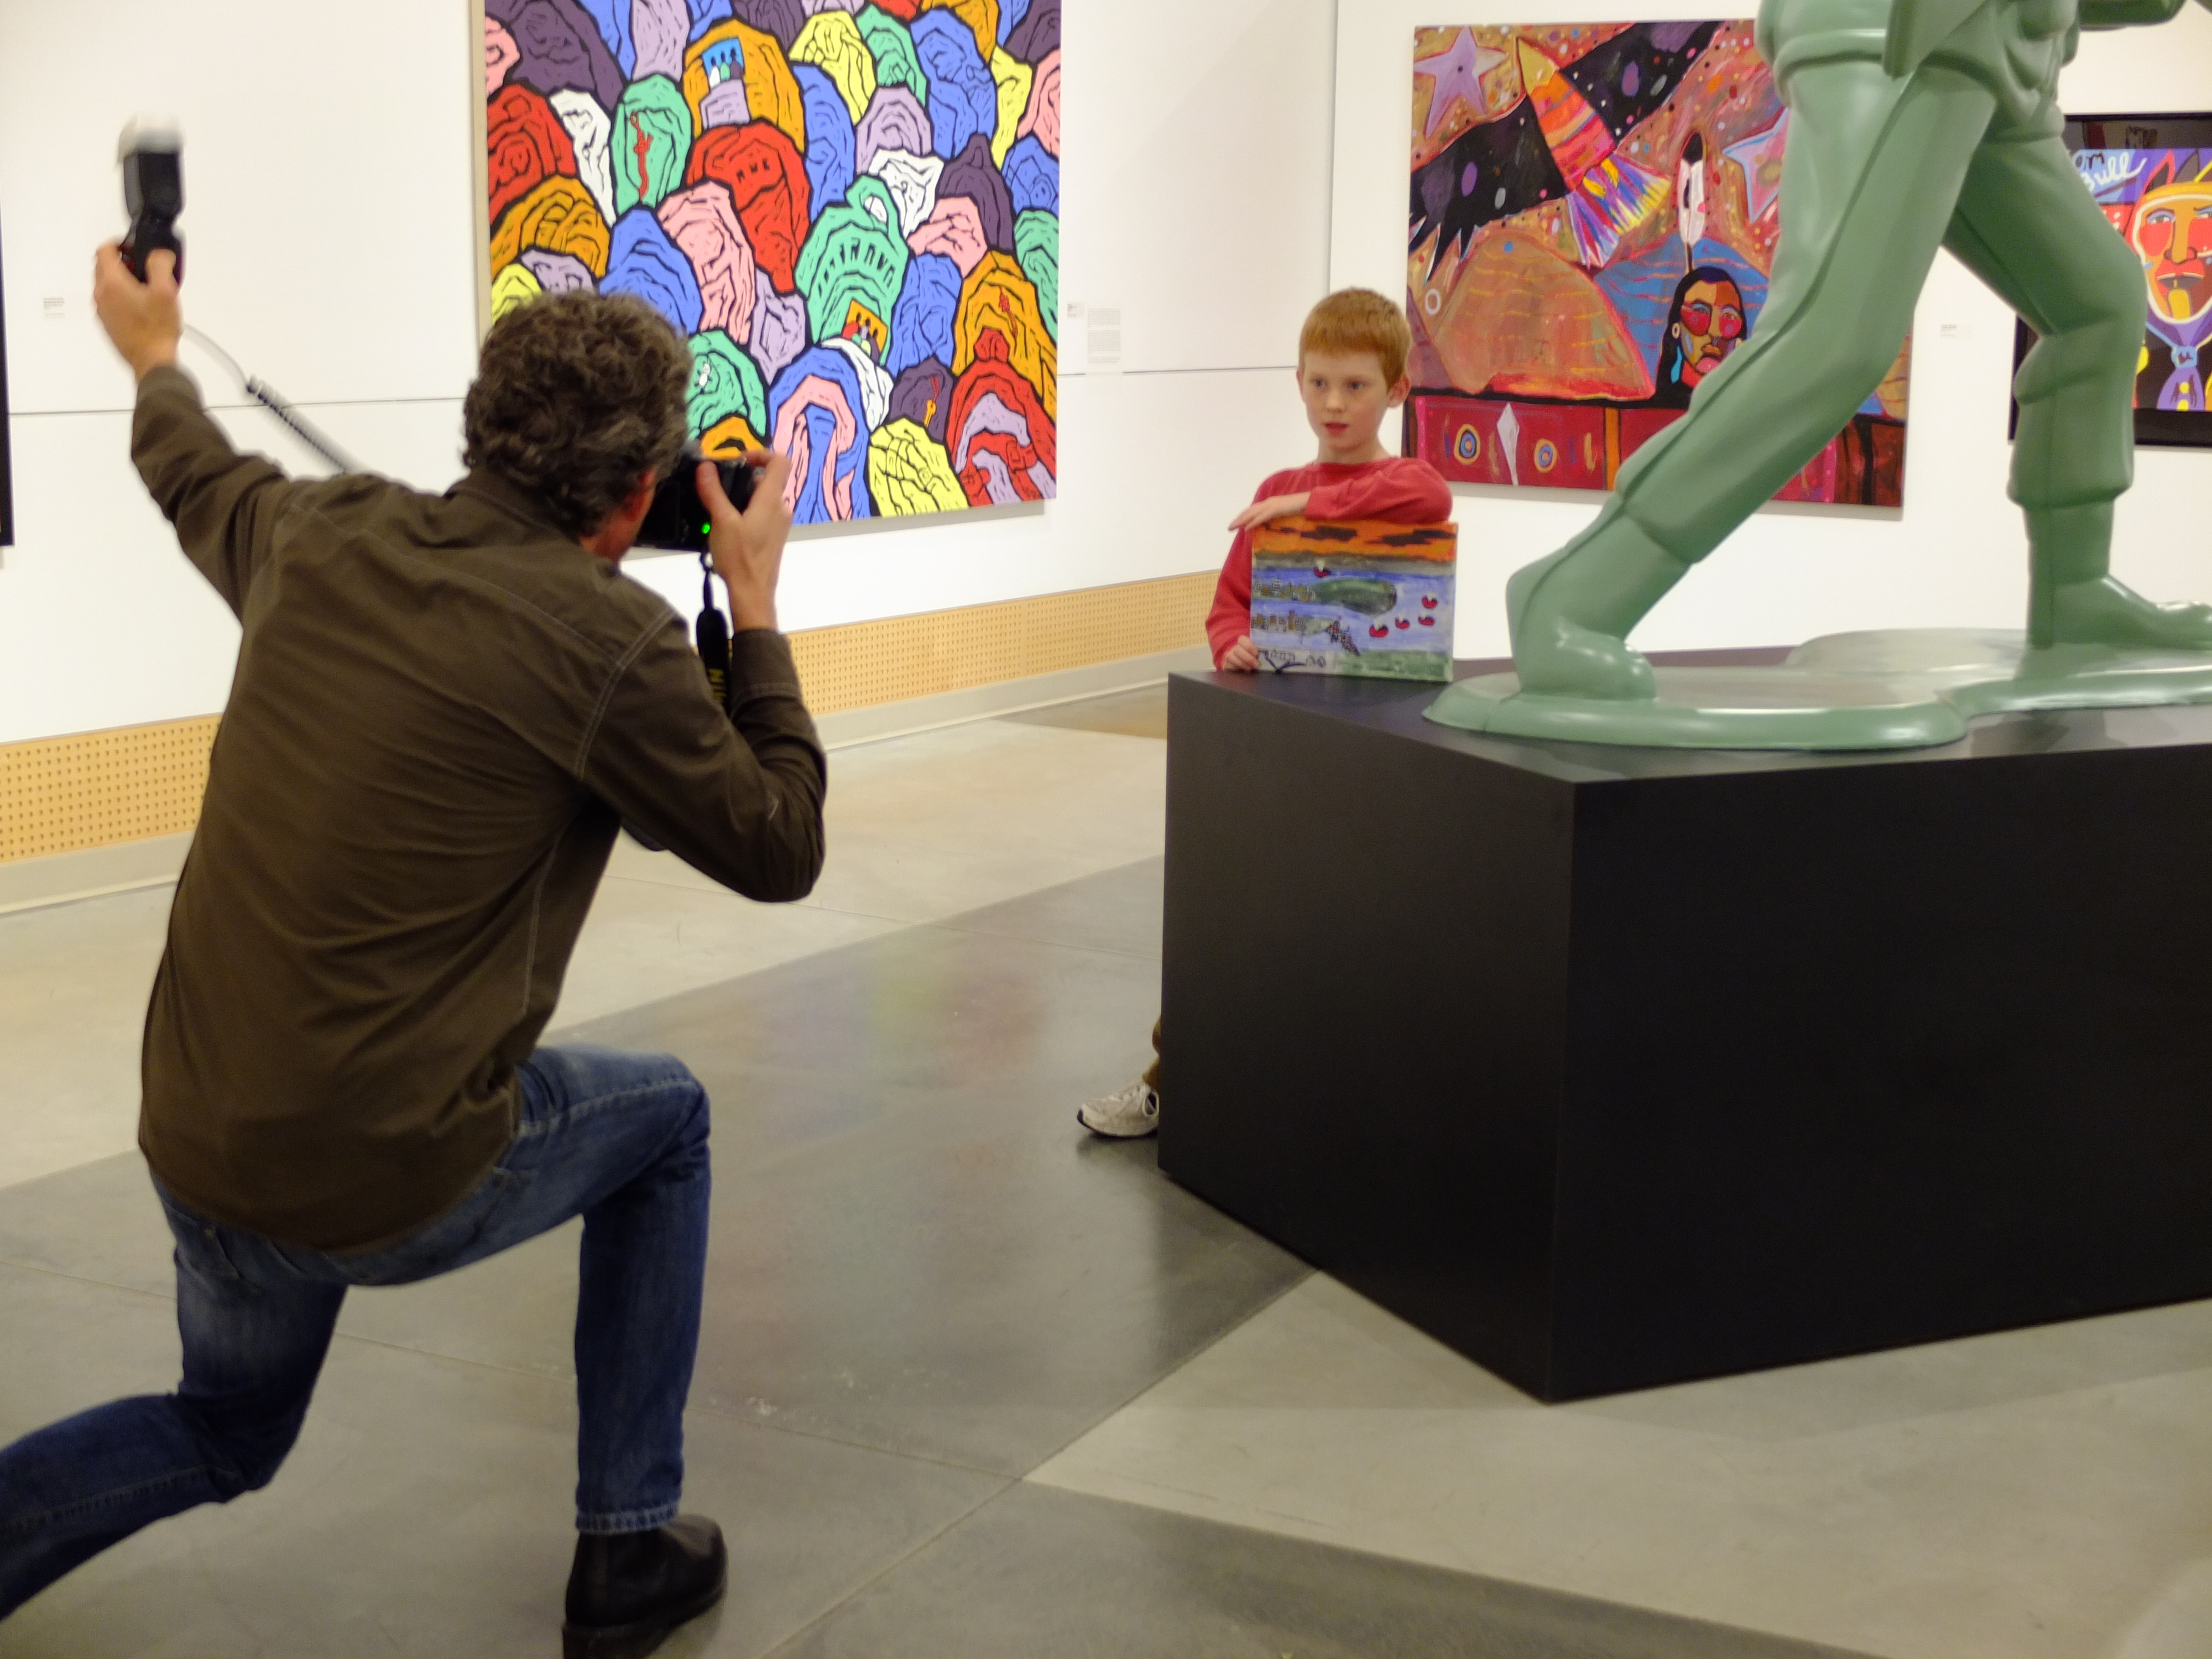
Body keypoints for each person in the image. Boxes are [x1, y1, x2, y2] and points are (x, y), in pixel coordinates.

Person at [0, 247, 826, 1659]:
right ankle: (628, 1547)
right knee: (669, 1121)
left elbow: (185, 464)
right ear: (639, 494)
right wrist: (751, 605)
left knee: (227, 1427)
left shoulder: (312, 531)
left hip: (197, 1130)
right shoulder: (612, 643)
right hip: (381, 1167)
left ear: (481, 428)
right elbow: (779, 843)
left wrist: (153, 350)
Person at [1508, 0, 2212, 701]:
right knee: (1832, 338)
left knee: (2098, 305)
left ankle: (2074, 592)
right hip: (1902, 33)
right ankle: (1575, 596)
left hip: (2005, 51)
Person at [1077, 289, 1451, 1139]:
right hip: (1283, 746)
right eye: (1319, 383)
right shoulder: (1275, 491)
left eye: (1356, 386)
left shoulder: (1395, 483)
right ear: (1298, 381)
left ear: (1397, 390)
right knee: (1239, 920)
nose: (1334, 404)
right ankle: (1172, 1080)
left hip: (1380, 747)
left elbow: (1427, 497)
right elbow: (1230, 604)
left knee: (1356, 929)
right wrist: (1233, 642)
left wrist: (1313, 509)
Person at [1650, 266, 1749, 408]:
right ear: (1677, 329)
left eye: (1728, 316)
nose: (1714, 332)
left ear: (1739, 340)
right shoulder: (1655, 412)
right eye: (1700, 312)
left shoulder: (1749, 411)